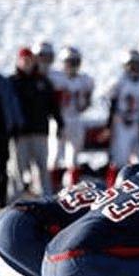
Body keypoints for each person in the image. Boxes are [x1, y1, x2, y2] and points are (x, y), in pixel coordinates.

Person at [10, 47, 63, 196]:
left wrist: (59, 123)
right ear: (19, 61)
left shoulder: (43, 82)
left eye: (29, 60)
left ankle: (45, 196)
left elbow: (53, 105)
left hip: (40, 130)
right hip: (20, 133)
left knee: (42, 167)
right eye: (24, 60)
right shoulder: (12, 82)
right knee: (18, 168)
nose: (27, 63)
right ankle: (16, 197)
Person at [105, 50, 139, 183]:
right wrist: (110, 125)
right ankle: (113, 187)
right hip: (123, 123)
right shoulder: (119, 82)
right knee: (120, 159)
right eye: (131, 65)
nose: (134, 68)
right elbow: (110, 104)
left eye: (137, 64)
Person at [47, 46, 94, 189]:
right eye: (69, 61)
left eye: (75, 61)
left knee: (73, 157)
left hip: (76, 118)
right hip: (58, 119)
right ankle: (51, 188)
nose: (72, 65)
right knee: (54, 155)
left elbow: (87, 102)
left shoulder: (84, 80)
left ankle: (71, 188)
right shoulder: (55, 77)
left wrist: (86, 100)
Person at [0, 70, 22, 208]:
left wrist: (16, 124)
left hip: (0, 131)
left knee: (1, 168)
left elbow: (12, 102)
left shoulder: (1, 81)